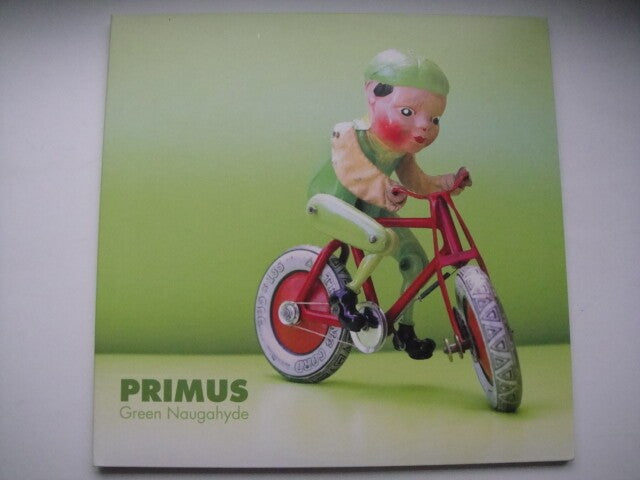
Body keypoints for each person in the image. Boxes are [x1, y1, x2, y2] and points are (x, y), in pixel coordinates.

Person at [306, 49, 471, 359]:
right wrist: (385, 188)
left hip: (369, 208)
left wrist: (449, 182)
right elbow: (352, 170)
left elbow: (417, 182)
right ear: (373, 94)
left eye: (434, 119)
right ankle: (345, 296)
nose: (424, 126)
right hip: (330, 203)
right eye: (408, 112)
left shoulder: (400, 151)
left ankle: (405, 329)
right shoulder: (346, 133)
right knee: (383, 239)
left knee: (416, 261)